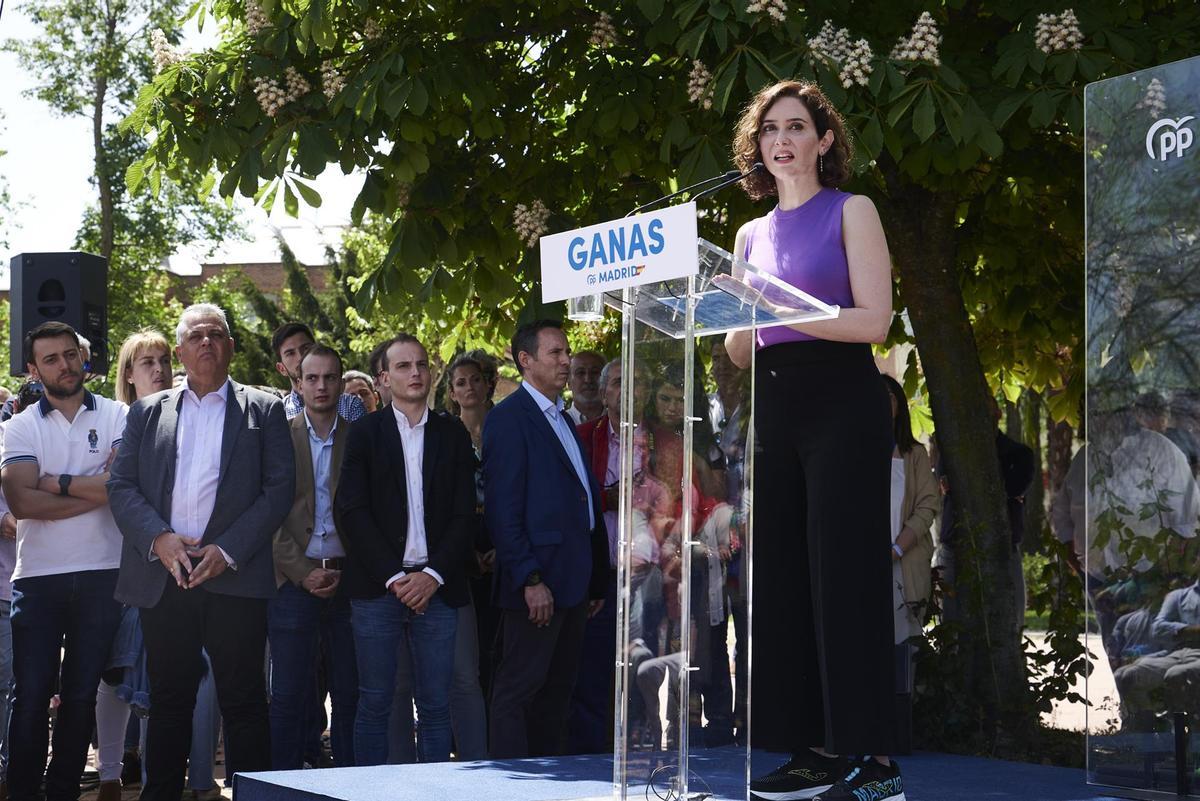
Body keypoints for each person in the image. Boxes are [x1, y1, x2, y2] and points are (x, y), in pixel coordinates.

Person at [721, 80, 902, 801]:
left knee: (845, 577)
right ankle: (811, 749)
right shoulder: (748, 235)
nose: (781, 140)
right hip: (778, 404)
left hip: (843, 401)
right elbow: (739, 349)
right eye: (769, 130)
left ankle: (873, 759)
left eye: (796, 126)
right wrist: (733, 311)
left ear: (824, 140)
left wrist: (784, 306)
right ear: (758, 146)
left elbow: (874, 323)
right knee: (787, 581)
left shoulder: (852, 211)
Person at [107, 303, 295, 801]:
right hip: (167, 576)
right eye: (196, 336)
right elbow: (122, 486)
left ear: (230, 346)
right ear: (181, 350)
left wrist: (228, 550)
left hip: (234, 577)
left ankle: (254, 795)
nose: (207, 342)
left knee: (245, 702)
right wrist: (161, 540)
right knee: (169, 700)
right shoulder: (148, 412)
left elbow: (279, 490)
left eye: (217, 334)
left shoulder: (265, 407)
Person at [335, 334, 477, 765]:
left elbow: (463, 514)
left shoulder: (451, 433)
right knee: (375, 702)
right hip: (379, 589)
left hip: (437, 588)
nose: (415, 373)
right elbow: (351, 511)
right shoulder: (364, 434)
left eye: (421, 364)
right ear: (383, 378)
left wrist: (432, 576)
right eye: (403, 366)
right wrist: (395, 577)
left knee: (435, 707)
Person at [1, 322, 128, 801]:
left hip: (102, 574)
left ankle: (62, 793)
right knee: (31, 697)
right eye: (51, 359)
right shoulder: (20, 425)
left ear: (83, 357)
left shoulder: (118, 414)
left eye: (70, 354)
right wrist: (98, 490)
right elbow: (22, 503)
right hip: (38, 580)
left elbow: (122, 486)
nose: (65, 365)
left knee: (79, 698)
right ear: (34, 371)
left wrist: (56, 482)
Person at [484, 320, 609, 759]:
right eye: (555, 353)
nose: (566, 361)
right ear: (525, 360)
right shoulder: (508, 419)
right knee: (518, 689)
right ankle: (511, 785)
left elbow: (580, 501)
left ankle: (552, 779)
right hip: (538, 585)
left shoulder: (561, 418)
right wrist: (529, 578)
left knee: (558, 692)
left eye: (566, 352)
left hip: (573, 584)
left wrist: (594, 580)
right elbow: (504, 511)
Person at [270, 345, 359, 768]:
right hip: (292, 582)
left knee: (350, 691)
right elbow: (265, 516)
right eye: (312, 378)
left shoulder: (360, 439)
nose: (321, 386)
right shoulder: (278, 439)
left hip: (350, 582)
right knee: (289, 694)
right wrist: (303, 572)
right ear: (298, 383)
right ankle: (284, 784)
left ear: (340, 383)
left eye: (329, 378)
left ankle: (348, 784)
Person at [442, 354, 492, 759]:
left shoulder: (504, 426)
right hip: (459, 551)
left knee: (496, 651)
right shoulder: (446, 433)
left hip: (503, 543)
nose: (469, 387)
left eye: (476, 379)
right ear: (451, 391)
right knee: (464, 661)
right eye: (461, 382)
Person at [272, 322, 367, 423]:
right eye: (290, 353)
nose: (300, 357)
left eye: (306, 348)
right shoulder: (279, 414)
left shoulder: (350, 405)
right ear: (281, 368)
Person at [564, 351, 604, 425]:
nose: (588, 380)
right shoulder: (560, 424)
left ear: (606, 380)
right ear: (568, 382)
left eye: (595, 372)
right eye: (580, 373)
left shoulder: (619, 422)